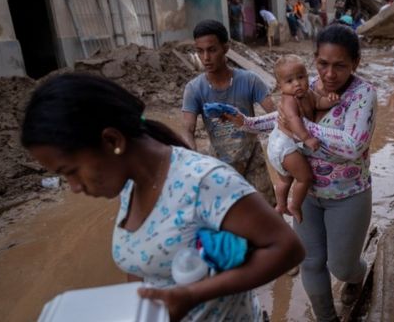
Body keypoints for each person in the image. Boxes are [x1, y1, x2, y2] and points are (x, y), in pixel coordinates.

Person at [20, 73, 305, 322]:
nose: (74, 187)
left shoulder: (203, 182)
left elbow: (287, 248)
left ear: (112, 141)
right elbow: (140, 271)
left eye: (71, 171)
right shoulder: (131, 187)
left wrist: (193, 295)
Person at [225, 25, 377, 322]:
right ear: (314, 59)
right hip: (306, 194)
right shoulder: (309, 87)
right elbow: (282, 115)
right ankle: (326, 318)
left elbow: (353, 146)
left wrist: (302, 129)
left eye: (340, 66)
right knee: (310, 261)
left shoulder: (363, 95)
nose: (329, 74)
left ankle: (359, 276)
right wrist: (245, 122)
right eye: (322, 64)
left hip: (347, 194)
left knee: (342, 267)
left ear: (355, 64)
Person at [182, 20, 277, 206]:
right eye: (200, 51)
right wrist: (192, 159)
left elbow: (276, 117)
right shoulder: (194, 89)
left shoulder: (249, 80)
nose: (206, 57)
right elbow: (187, 129)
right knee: (226, 218)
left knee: (266, 214)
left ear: (226, 48)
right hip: (219, 163)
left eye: (212, 50)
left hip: (253, 160)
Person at [267, 54, 339, 223]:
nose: (297, 84)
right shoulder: (289, 100)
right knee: (305, 178)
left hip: (276, 146)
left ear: (307, 76)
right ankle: (295, 205)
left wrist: (331, 101)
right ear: (280, 86)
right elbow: (293, 120)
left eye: (301, 77)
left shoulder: (308, 94)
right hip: (284, 146)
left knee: (285, 180)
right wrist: (307, 139)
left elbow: (319, 103)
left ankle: (281, 205)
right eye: (289, 81)